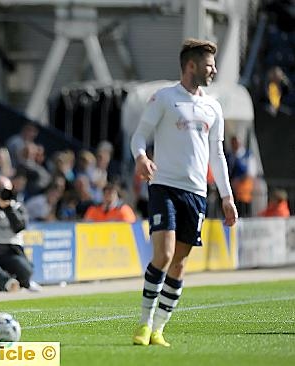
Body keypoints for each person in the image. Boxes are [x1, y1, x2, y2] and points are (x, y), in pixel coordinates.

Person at [130, 39, 238, 347]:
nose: (214, 70)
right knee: (162, 255)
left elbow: (217, 155)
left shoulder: (213, 106)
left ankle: (159, 329)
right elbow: (139, 136)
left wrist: (228, 196)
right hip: (164, 185)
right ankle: (143, 324)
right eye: (209, 65)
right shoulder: (164, 98)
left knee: (179, 262)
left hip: (196, 193)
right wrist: (141, 156)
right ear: (191, 66)